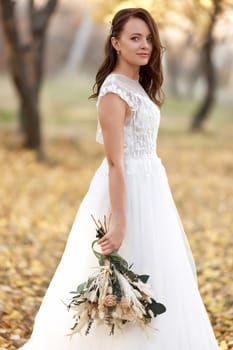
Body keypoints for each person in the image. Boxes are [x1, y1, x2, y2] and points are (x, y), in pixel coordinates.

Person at [19, 7, 220, 350]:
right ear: (116, 43)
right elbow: (114, 162)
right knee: (121, 282)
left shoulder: (136, 85)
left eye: (149, 38)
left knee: (158, 275)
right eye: (135, 38)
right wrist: (120, 221)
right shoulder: (114, 92)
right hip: (126, 191)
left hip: (150, 187)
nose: (145, 45)